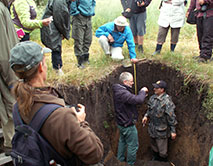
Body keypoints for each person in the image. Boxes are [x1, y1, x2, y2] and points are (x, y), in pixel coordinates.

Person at [9, 41, 104, 165]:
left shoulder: (18, 105)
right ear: (40, 67)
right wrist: (80, 122)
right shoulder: (61, 116)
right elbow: (95, 154)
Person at [112, 72, 148, 166]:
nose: (133, 83)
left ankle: (120, 161)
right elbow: (138, 100)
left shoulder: (119, 89)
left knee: (122, 142)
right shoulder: (122, 93)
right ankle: (130, 164)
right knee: (133, 145)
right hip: (128, 125)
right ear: (125, 82)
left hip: (121, 123)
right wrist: (143, 92)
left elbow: (132, 99)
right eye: (131, 81)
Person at [142, 80, 177, 162]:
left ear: (162, 90)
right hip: (152, 128)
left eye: (156, 88)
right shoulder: (152, 98)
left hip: (161, 130)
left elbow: (171, 117)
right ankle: (155, 159)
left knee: (162, 150)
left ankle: (163, 161)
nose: (154, 89)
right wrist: (146, 116)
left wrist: (173, 131)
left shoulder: (167, 102)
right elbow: (149, 109)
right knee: (154, 146)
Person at [0, 0, 19, 150]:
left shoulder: (3, 8)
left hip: (6, 68)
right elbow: (3, 53)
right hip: (6, 70)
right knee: (9, 104)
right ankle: (11, 143)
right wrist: (12, 78)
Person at [41, 0, 73, 75]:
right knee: (55, 47)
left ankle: (56, 67)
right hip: (51, 25)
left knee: (56, 47)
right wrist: (65, 32)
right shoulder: (60, 1)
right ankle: (57, 69)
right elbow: (60, 18)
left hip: (53, 25)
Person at [70, 0, 96, 69]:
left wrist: (92, 11)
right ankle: (79, 61)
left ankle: (85, 58)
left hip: (89, 17)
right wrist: (77, 13)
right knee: (79, 40)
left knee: (88, 39)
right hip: (79, 18)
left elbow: (93, 2)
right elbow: (72, 3)